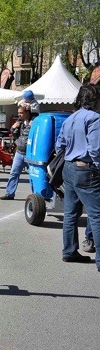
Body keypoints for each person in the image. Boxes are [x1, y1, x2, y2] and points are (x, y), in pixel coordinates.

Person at [55, 84, 99, 268]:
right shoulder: (95, 118)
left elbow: (59, 145)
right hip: (86, 169)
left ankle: (69, 251)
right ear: (95, 100)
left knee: (71, 213)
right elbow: (96, 150)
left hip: (69, 168)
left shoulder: (70, 119)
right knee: (97, 215)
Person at [0, 105, 32, 200]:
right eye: (19, 113)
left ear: (27, 113)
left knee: (33, 175)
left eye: (21, 113)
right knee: (14, 173)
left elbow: (29, 135)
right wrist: (13, 128)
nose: (19, 115)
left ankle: (38, 196)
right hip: (19, 152)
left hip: (30, 153)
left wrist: (29, 126)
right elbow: (14, 134)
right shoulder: (20, 122)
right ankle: (9, 193)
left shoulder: (33, 122)